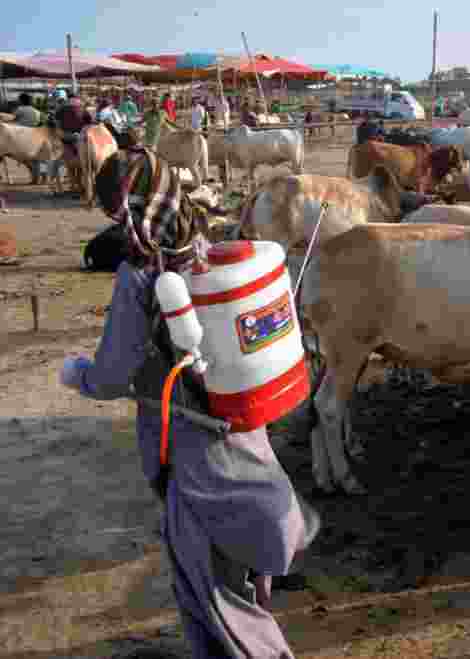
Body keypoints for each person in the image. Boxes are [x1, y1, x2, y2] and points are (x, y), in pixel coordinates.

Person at [59, 147, 320, 658]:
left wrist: (79, 377)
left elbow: (113, 376)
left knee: (216, 599)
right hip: (247, 439)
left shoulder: (141, 277)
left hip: (194, 460)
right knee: (243, 580)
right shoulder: (212, 247)